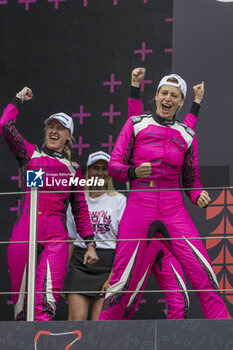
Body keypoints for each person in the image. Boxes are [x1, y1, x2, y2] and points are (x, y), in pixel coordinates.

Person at [99, 73, 228, 320]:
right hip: (140, 207)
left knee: (202, 271)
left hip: (173, 210)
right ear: (156, 96)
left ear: (180, 103)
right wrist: (134, 171)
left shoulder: (187, 134)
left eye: (175, 96)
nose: (168, 99)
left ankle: (223, 328)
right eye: (164, 93)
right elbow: (114, 166)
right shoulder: (136, 124)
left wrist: (198, 194)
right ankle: (106, 335)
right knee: (122, 280)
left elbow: (191, 181)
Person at [0, 87, 98, 321]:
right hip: (25, 229)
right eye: (50, 127)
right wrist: (18, 98)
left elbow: (80, 210)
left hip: (55, 235)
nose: (54, 132)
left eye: (60, 129)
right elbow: (5, 125)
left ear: (68, 137)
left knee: (45, 302)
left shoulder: (74, 170)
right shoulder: (29, 154)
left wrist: (90, 244)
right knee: (21, 305)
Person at [64, 151, 126, 320]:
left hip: (108, 265)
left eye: (104, 168)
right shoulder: (77, 199)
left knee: (99, 325)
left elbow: (123, 244)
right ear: (88, 172)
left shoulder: (119, 200)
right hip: (80, 263)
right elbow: (71, 240)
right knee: (77, 320)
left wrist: (113, 277)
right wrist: (64, 274)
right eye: (95, 168)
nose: (99, 172)